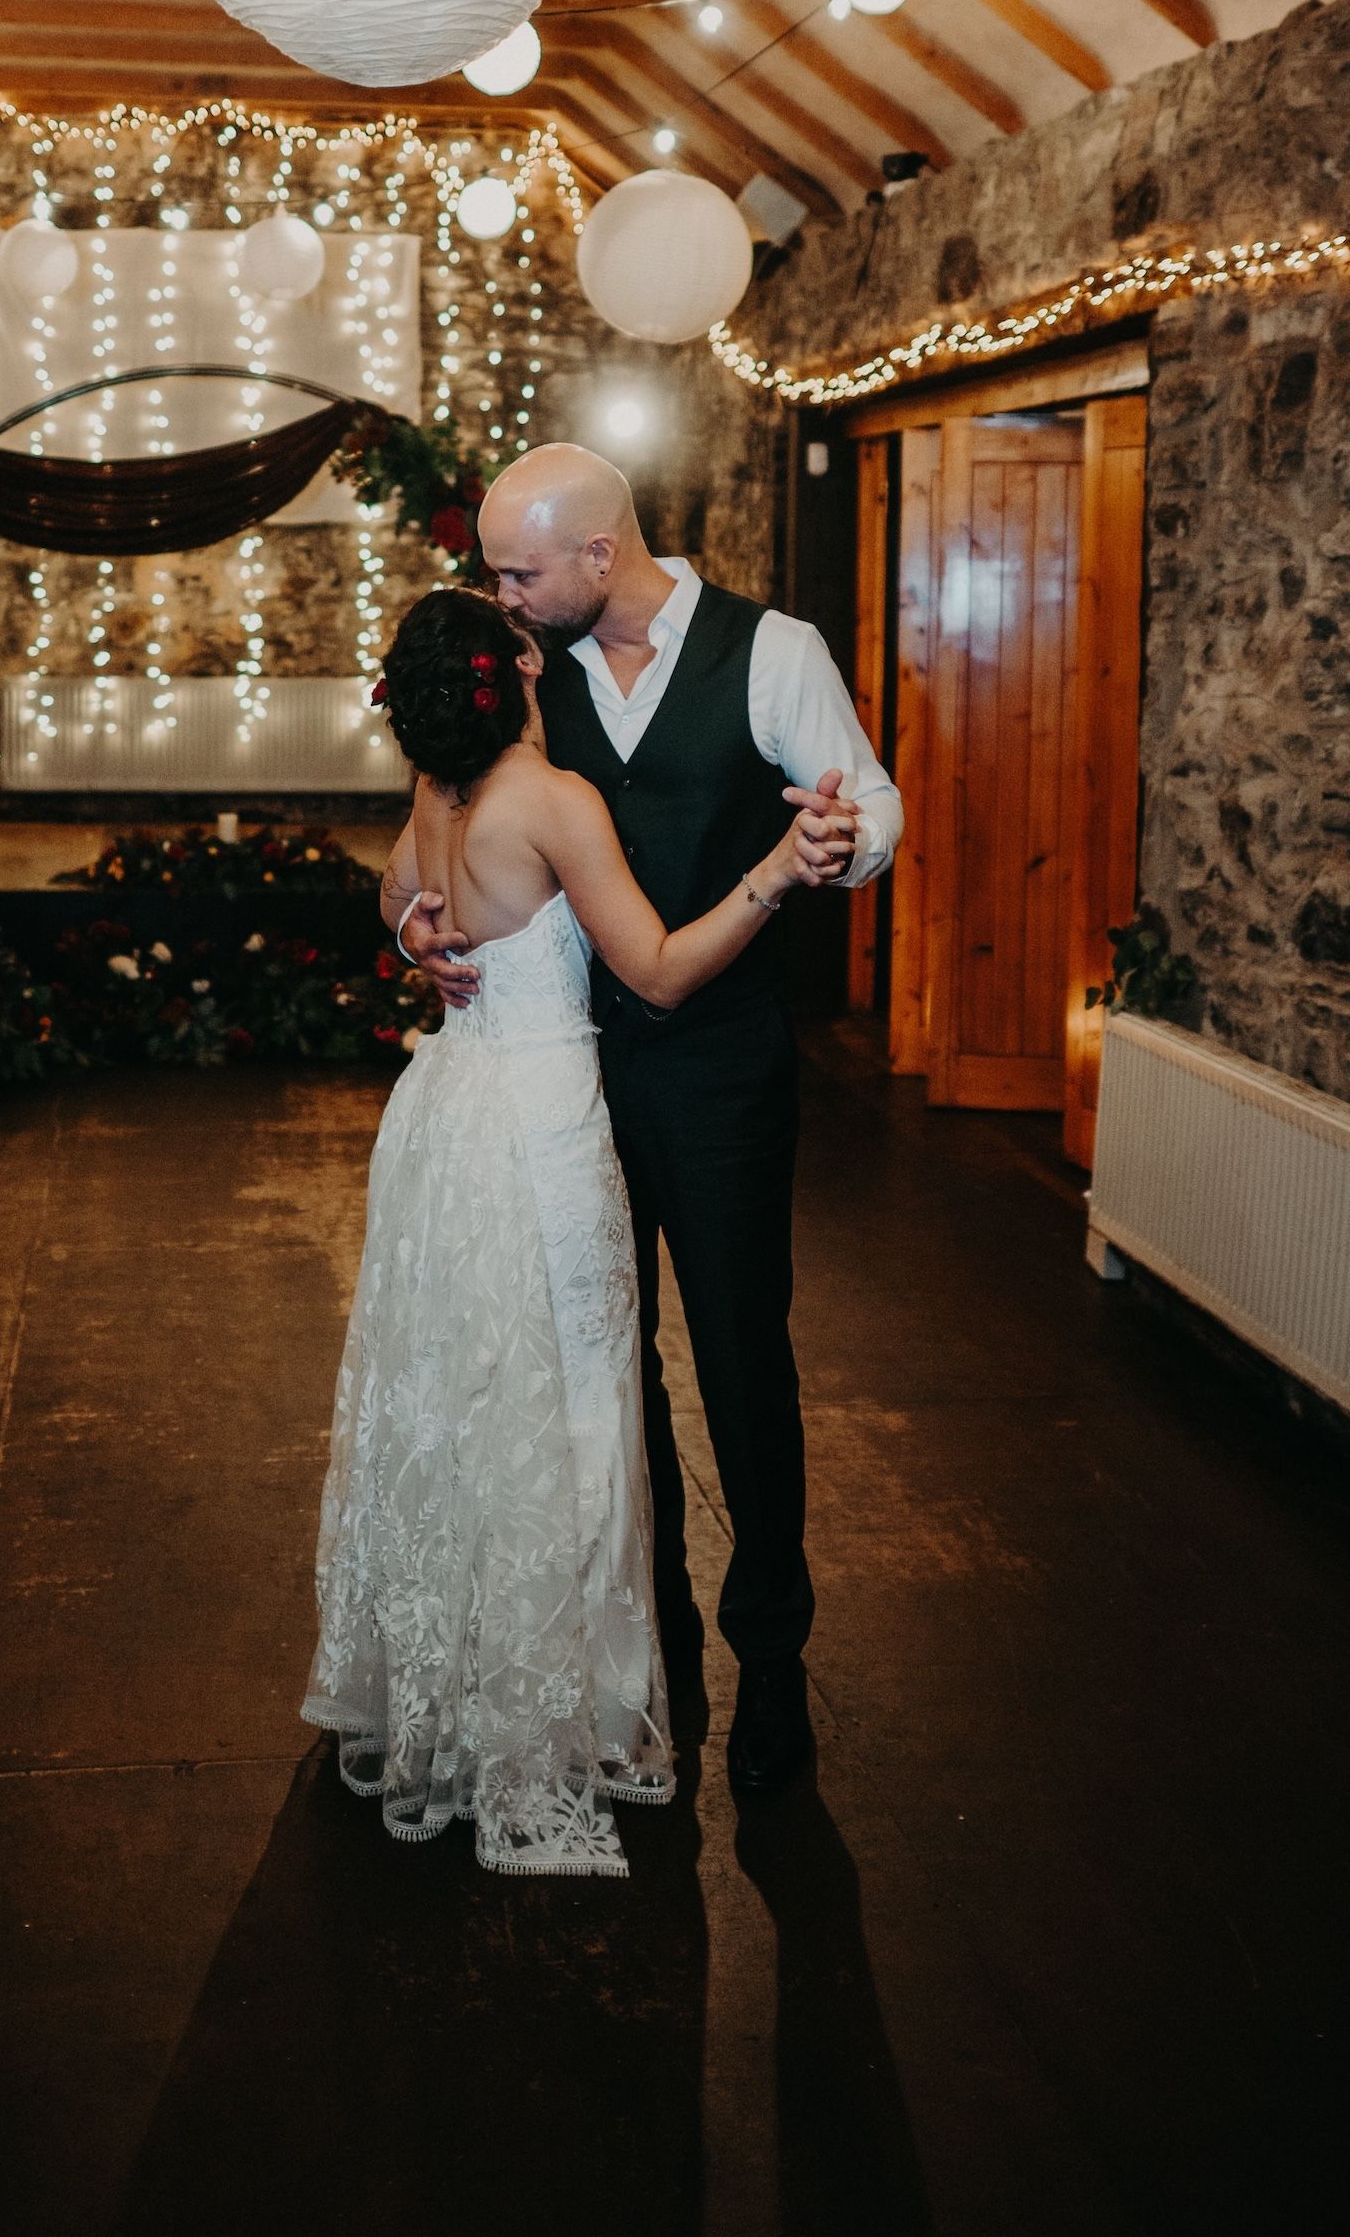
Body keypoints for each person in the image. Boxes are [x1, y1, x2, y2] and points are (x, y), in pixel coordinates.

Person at [304, 586, 849, 1878]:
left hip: (446, 1107)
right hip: (545, 1114)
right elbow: (654, 970)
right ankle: (565, 1702)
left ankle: (457, 1672)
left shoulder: (437, 798)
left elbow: (400, 895)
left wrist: (415, 934)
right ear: (505, 677)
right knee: (578, 1398)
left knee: (463, 1390)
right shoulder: (552, 800)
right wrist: (774, 874)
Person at [403, 445, 902, 1795]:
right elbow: (438, 827)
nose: (501, 593)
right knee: (601, 1376)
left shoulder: (771, 649)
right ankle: (658, 1634)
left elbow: (875, 800)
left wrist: (837, 843)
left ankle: (773, 1653)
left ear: (598, 560)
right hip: (567, 1084)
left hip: (724, 1072)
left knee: (744, 1360)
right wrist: (417, 928)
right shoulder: (522, 671)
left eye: (521, 569)